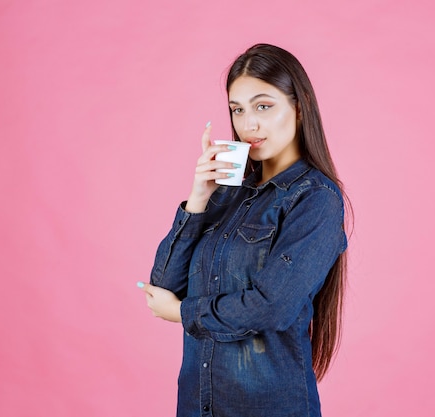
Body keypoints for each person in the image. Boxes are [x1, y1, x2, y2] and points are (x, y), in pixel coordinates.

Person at [138, 43, 350, 417]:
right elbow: (164, 286)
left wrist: (183, 314)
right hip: (198, 405)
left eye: (263, 106)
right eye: (238, 110)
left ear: (299, 108)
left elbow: (273, 308)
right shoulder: (227, 194)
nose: (247, 124)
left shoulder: (316, 199)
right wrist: (199, 198)